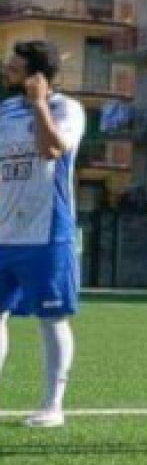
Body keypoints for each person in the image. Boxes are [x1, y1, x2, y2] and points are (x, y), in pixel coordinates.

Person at [0, 40, 84, 428]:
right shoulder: (3, 111)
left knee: (51, 319)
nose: (7, 69)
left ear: (37, 74)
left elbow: (52, 150)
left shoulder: (66, 109)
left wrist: (38, 105)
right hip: (3, 233)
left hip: (46, 233)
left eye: (15, 66)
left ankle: (53, 405)